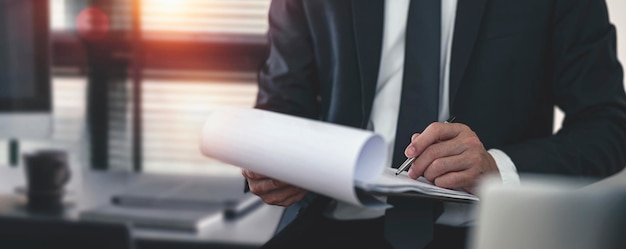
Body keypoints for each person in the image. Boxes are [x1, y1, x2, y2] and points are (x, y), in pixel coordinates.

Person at [243, 0, 626, 248]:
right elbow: (282, 101)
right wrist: (270, 155)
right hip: (329, 225)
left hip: (488, 230)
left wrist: (497, 167)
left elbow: (609, 124)